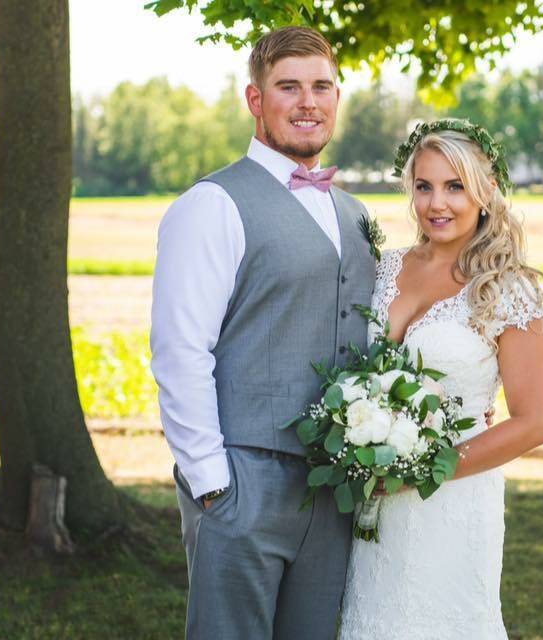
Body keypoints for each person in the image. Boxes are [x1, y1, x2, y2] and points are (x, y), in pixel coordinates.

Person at [149, 26, 377, 639]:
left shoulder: (356, 215)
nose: (309, 101)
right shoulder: (211, 205)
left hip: (334, 489)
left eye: (322, 86)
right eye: (289, 87)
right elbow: (179, 350)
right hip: (243, 482)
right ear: (256, 100)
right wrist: (212, 485)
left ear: (337, 97)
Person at [338, 119, 543, 639]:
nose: (438, 202)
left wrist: (422, 471)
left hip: (454, 499)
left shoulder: (508, 290)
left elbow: (534, 423)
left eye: (455, 186)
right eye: (424, 186)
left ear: (485, 192)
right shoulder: (382, 268)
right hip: (372, 495)